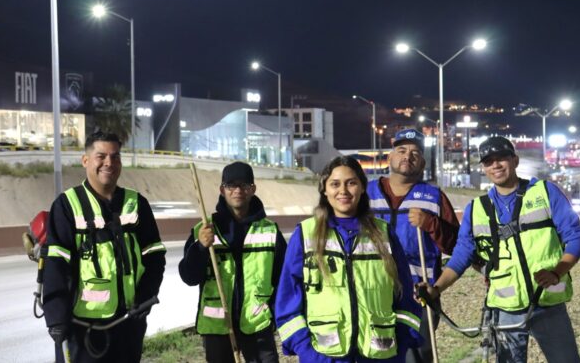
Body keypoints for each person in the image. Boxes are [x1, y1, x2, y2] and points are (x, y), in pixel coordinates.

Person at [420, 136, 580, 362]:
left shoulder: (545, 192)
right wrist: (435, 289)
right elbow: (461, 256)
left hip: (548, 302)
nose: (496, 165)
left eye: (501, 159)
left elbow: (575, 236)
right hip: (505, 308)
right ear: (484, 169)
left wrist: (557, 272)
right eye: (489, 162)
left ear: (515, 161)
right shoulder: (476, 208)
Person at [276, 156, 423, 362]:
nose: (343, 191)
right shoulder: (305, 235)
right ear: (324, 190)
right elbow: (287, 302)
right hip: (325, 357)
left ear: (363, 188)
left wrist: (401, 344)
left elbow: (405, 297)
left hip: (380, 356)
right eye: (335, 184)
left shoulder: (384, 234)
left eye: (351, 183)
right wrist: (308, 352)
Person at [43, 131, 166, 363]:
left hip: (128, 325)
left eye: (115, 157)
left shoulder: (137, 203)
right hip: (82, 330)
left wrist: (146, 295)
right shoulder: (67, 205)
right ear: (86, 160)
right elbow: (55, 264)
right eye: (101, 156)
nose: (109, 163)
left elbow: (155, 255)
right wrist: (56, 318)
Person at [365, 128, 460, 362]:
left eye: (415, 152)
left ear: (423, 163)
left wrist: (431, 224)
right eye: (402, 150)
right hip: (372, 291)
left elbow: (456, 245)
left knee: (415, 357)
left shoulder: (434, 197)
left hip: (419, 295)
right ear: (390, 158)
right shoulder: (364, 194)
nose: (408, 156)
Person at [179, 161, 286, 363]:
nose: (238, 191)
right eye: (231, 185)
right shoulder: (204, 230)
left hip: (257, 325)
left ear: (253, 189)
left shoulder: (270, 231)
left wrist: (272, 311)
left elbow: (284, 279)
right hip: (218, 327)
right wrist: (201, 247)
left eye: (244, 185)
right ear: (222, 189)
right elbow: (189, 277)